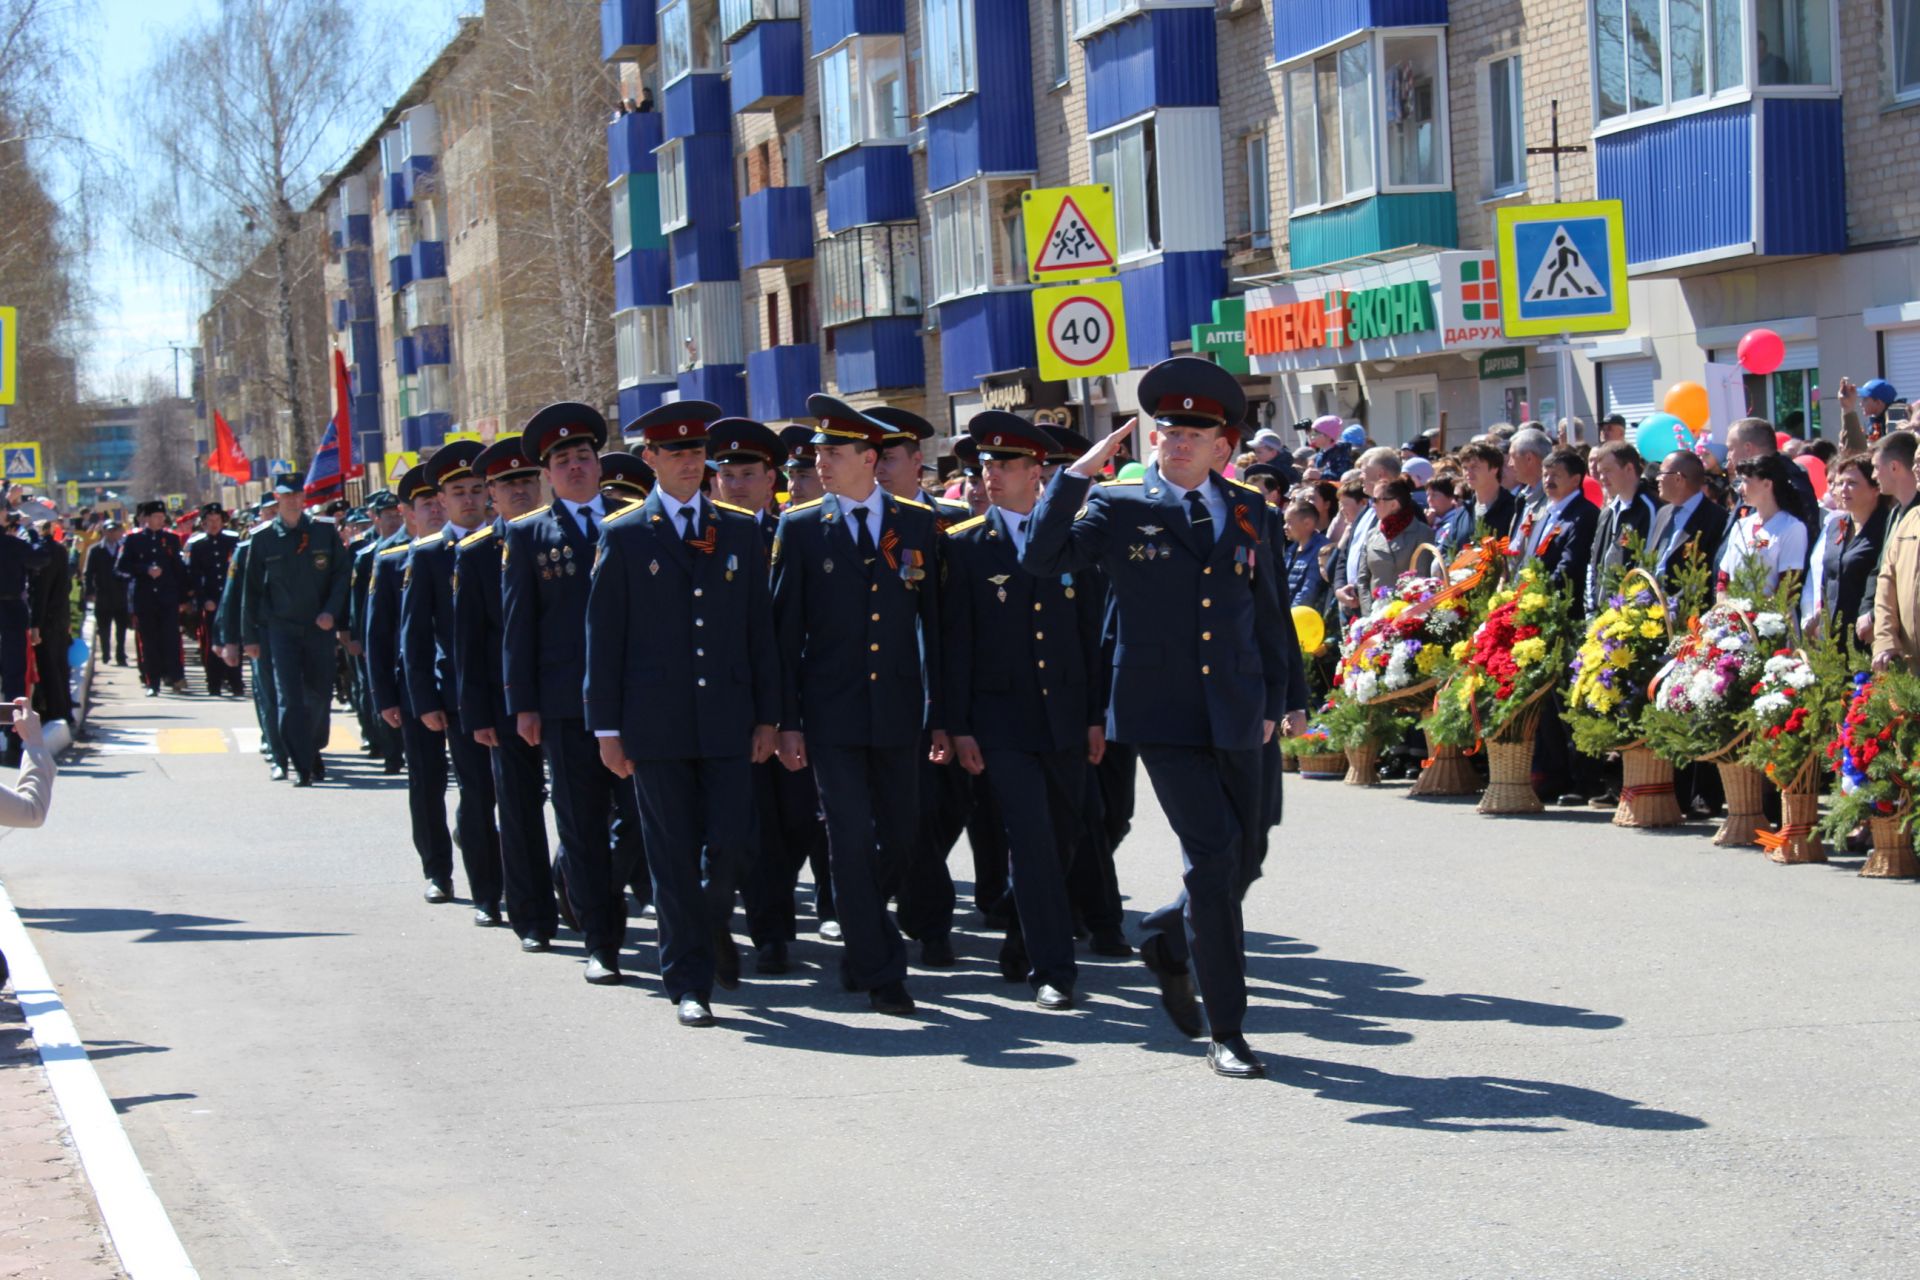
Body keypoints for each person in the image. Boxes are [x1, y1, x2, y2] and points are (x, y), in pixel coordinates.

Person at [1024, 356, 1302, 1079]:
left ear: (1225, 446)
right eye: (1167, 430)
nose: (1177, 440)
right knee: (1212, 858)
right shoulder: (1118, 506)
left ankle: (1168, 941)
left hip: (1241, 706)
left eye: (1194, 431)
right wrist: (1075, 476)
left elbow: (1269, 613)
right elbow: (1041, 558)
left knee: (1249, 853)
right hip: (1162, 710)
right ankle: (1229, 1031)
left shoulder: (1249, 508)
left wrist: (1284, 700)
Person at [587, 404, 780, 1026]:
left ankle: (711, 923)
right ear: (651, 461)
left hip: (727, 716)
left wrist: (769, 716)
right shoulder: (622, 534)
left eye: (698, 453)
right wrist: (608, 730)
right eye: (676, 454)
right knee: (671, 857)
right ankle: (689, 982)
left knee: (731, 846)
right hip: (656, 722)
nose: (691, 463)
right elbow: (604, 639)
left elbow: (760, 632)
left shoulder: (741, 530)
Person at [770, 393, 946, 1016]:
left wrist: (943, 714)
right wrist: (786, 720)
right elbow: (784, 633)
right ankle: (880, 970)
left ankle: (863, 937)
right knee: (847, 839)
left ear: (869, 457)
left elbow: (937, 627)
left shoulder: (918, 523)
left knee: (899, 837)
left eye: (834, 451)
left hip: (899, 711)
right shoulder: (799, 527)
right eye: (818, 451)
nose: (820, 461)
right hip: (831, 713)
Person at [941, 412, 1105, 1010]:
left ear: (1039, 472)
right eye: (986, 465)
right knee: (1031, 838)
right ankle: (1053, 969)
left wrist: (1094, 715)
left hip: (1062, 714)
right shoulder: (963, 547)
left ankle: (1021, 934)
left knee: (1064, 836)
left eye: (1006, 464)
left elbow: (1091, 635)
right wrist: (957, 725)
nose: (992, 475)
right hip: (1000, 719)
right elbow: (953, 644)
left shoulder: (1072, 536)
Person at [505, 403, 651, 985]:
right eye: (563, 460)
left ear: (598, 464)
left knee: (643, 824)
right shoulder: (529, 534)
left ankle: (598, 893)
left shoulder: (636, 520)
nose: (575, 467)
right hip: (567, 708)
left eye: (584, 457)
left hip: (637, 702)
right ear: (549, 473)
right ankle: (601, 941)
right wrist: (524, 704)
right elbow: (520, 627)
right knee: (582, 825)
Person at [706, 419, 824, 973]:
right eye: (725, 474)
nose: (735, 484)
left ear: (772, 476)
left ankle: (776, 911)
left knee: (801, 818)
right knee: (752, 826)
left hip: (798, 700)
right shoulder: (707, 534)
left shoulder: (796, 529)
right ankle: (768, 930)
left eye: (747, 474)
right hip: (737, 704)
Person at [454, 436, 557, 951]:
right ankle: (533, 915)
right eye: (506, 484)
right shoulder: (476, 555)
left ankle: (578, 892)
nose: (519, 490)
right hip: (504, 701)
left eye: (525, 480)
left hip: (565, 696)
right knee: (517, 809)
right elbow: (468, 643)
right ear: (491, 494)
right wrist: (477, 712)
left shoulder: (566, 537)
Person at [371, 467, 458, 900]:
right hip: (412, 690)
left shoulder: (464, 548)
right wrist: (385, 696)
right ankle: (437, 869)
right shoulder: (390, 561)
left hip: (462, 685)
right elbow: (379, 634)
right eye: (428, 505)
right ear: (408, 513)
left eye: (441, 502)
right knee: (427, 783)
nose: (438, 510)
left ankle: (474, 836)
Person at [240, 477, 350, 786]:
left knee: (318, 697)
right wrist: (248, 637)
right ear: (277, 498)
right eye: (286, 496)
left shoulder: (323, 531)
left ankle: (312, 750)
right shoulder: (263, 539)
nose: (292, 500)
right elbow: (250, 591)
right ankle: (295, 763)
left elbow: (342, 574)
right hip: (281, 629)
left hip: (318, 628)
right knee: (288, 697)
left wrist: (332, 611)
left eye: (297, 494)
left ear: (304, 497)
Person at [1807, 454, 1888, 646]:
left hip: (1866, 635)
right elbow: (1829, 577)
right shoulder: (1837, 524)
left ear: (1875, 488)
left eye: (1852, 483)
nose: (1842, 490)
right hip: (1832, 634)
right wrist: (1820, 614)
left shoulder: (1886, 527)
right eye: (1839, 483)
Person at [117, 500, 187, 696]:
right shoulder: (133, 540)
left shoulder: (171, 539)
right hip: (145, 599)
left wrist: (184, 597)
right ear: (146, 519)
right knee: (149, 642)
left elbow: (178, 569)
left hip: (168, 598)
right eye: (155, 517)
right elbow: (121, 567)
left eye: (161, 517)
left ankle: (175, 677)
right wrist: (144, 569)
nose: (159, 520)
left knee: (171, 640)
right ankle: (152, 682)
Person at [1720, 452, 1813, 595]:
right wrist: (1724, 610)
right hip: (1734, 612)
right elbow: (1723, 577)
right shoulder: (1741, 525)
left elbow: (1788, 586)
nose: (1740, 488)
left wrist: (1757, 615)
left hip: (1771, 615)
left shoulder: (1791, 527)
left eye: (1746, 481)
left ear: (1767, 484)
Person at [1585, 440, 1661, 614]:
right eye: (1600, 471)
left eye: (1607, 471)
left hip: (1631, 615)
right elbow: (1594, 561)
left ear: (1628, 469)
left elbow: (1648, 566)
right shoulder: (1607, 513)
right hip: (1602, 615)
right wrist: (1591, 607)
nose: (1601, 477)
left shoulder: (1650, 509)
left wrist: (1629, 611)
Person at [1647, 450, 1732, 596]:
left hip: (1686, 611)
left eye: (1662, 473)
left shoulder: (1717, 518)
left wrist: (1672, 608)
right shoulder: (1663, 513)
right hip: (1650, 607)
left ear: (1678, 479)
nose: (1657, 479)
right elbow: (1651, 560)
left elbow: (1706, 574)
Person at [186, 503, 244, 696]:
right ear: (203, 523)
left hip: (230, 600)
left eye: (217, 520)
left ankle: (236, 683)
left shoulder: (233, 540)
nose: (214, 524)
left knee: (234, 640)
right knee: (212, 643)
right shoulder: (198, 544)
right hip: (211, 601)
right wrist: (203, 600)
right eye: (209, 521)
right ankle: (214, 684)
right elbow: (194, 576)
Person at [1354, 477, 1434, 603]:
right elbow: (1363, 579)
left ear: (1393, 504)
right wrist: (1369, 613)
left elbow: (1422, 579)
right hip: (1376, 615)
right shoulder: (1372, 534)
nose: (1372, 505)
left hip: (1409, 613)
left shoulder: (1422, 533)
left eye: (1376, 500)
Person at [82, 520, 130, 665]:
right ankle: (105, 654)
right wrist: (89, 591)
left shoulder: (124, 549)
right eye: (109, 530)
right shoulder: (96, 550)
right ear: (104, 532)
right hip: (103, 594)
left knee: (121, 628)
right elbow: (88, 573)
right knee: (104, 628)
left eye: (115, 530)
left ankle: (121, 655)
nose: (112, 533)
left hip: (121, 594)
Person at [1457, 439, 1520, 548]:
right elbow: (1448, 550)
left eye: (1474, 467)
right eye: (1465, 468)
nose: (1468, 473)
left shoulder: (1514, 508)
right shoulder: (1462, 513)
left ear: (1495, 468)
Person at [1282, 500, 1329, 609]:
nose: (1285, 527)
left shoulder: (1321, 550)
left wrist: (1291, 617)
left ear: (1307, 523)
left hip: (1303, 618)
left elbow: (1309, 592)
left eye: (1289, 522)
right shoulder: (1292, 549)